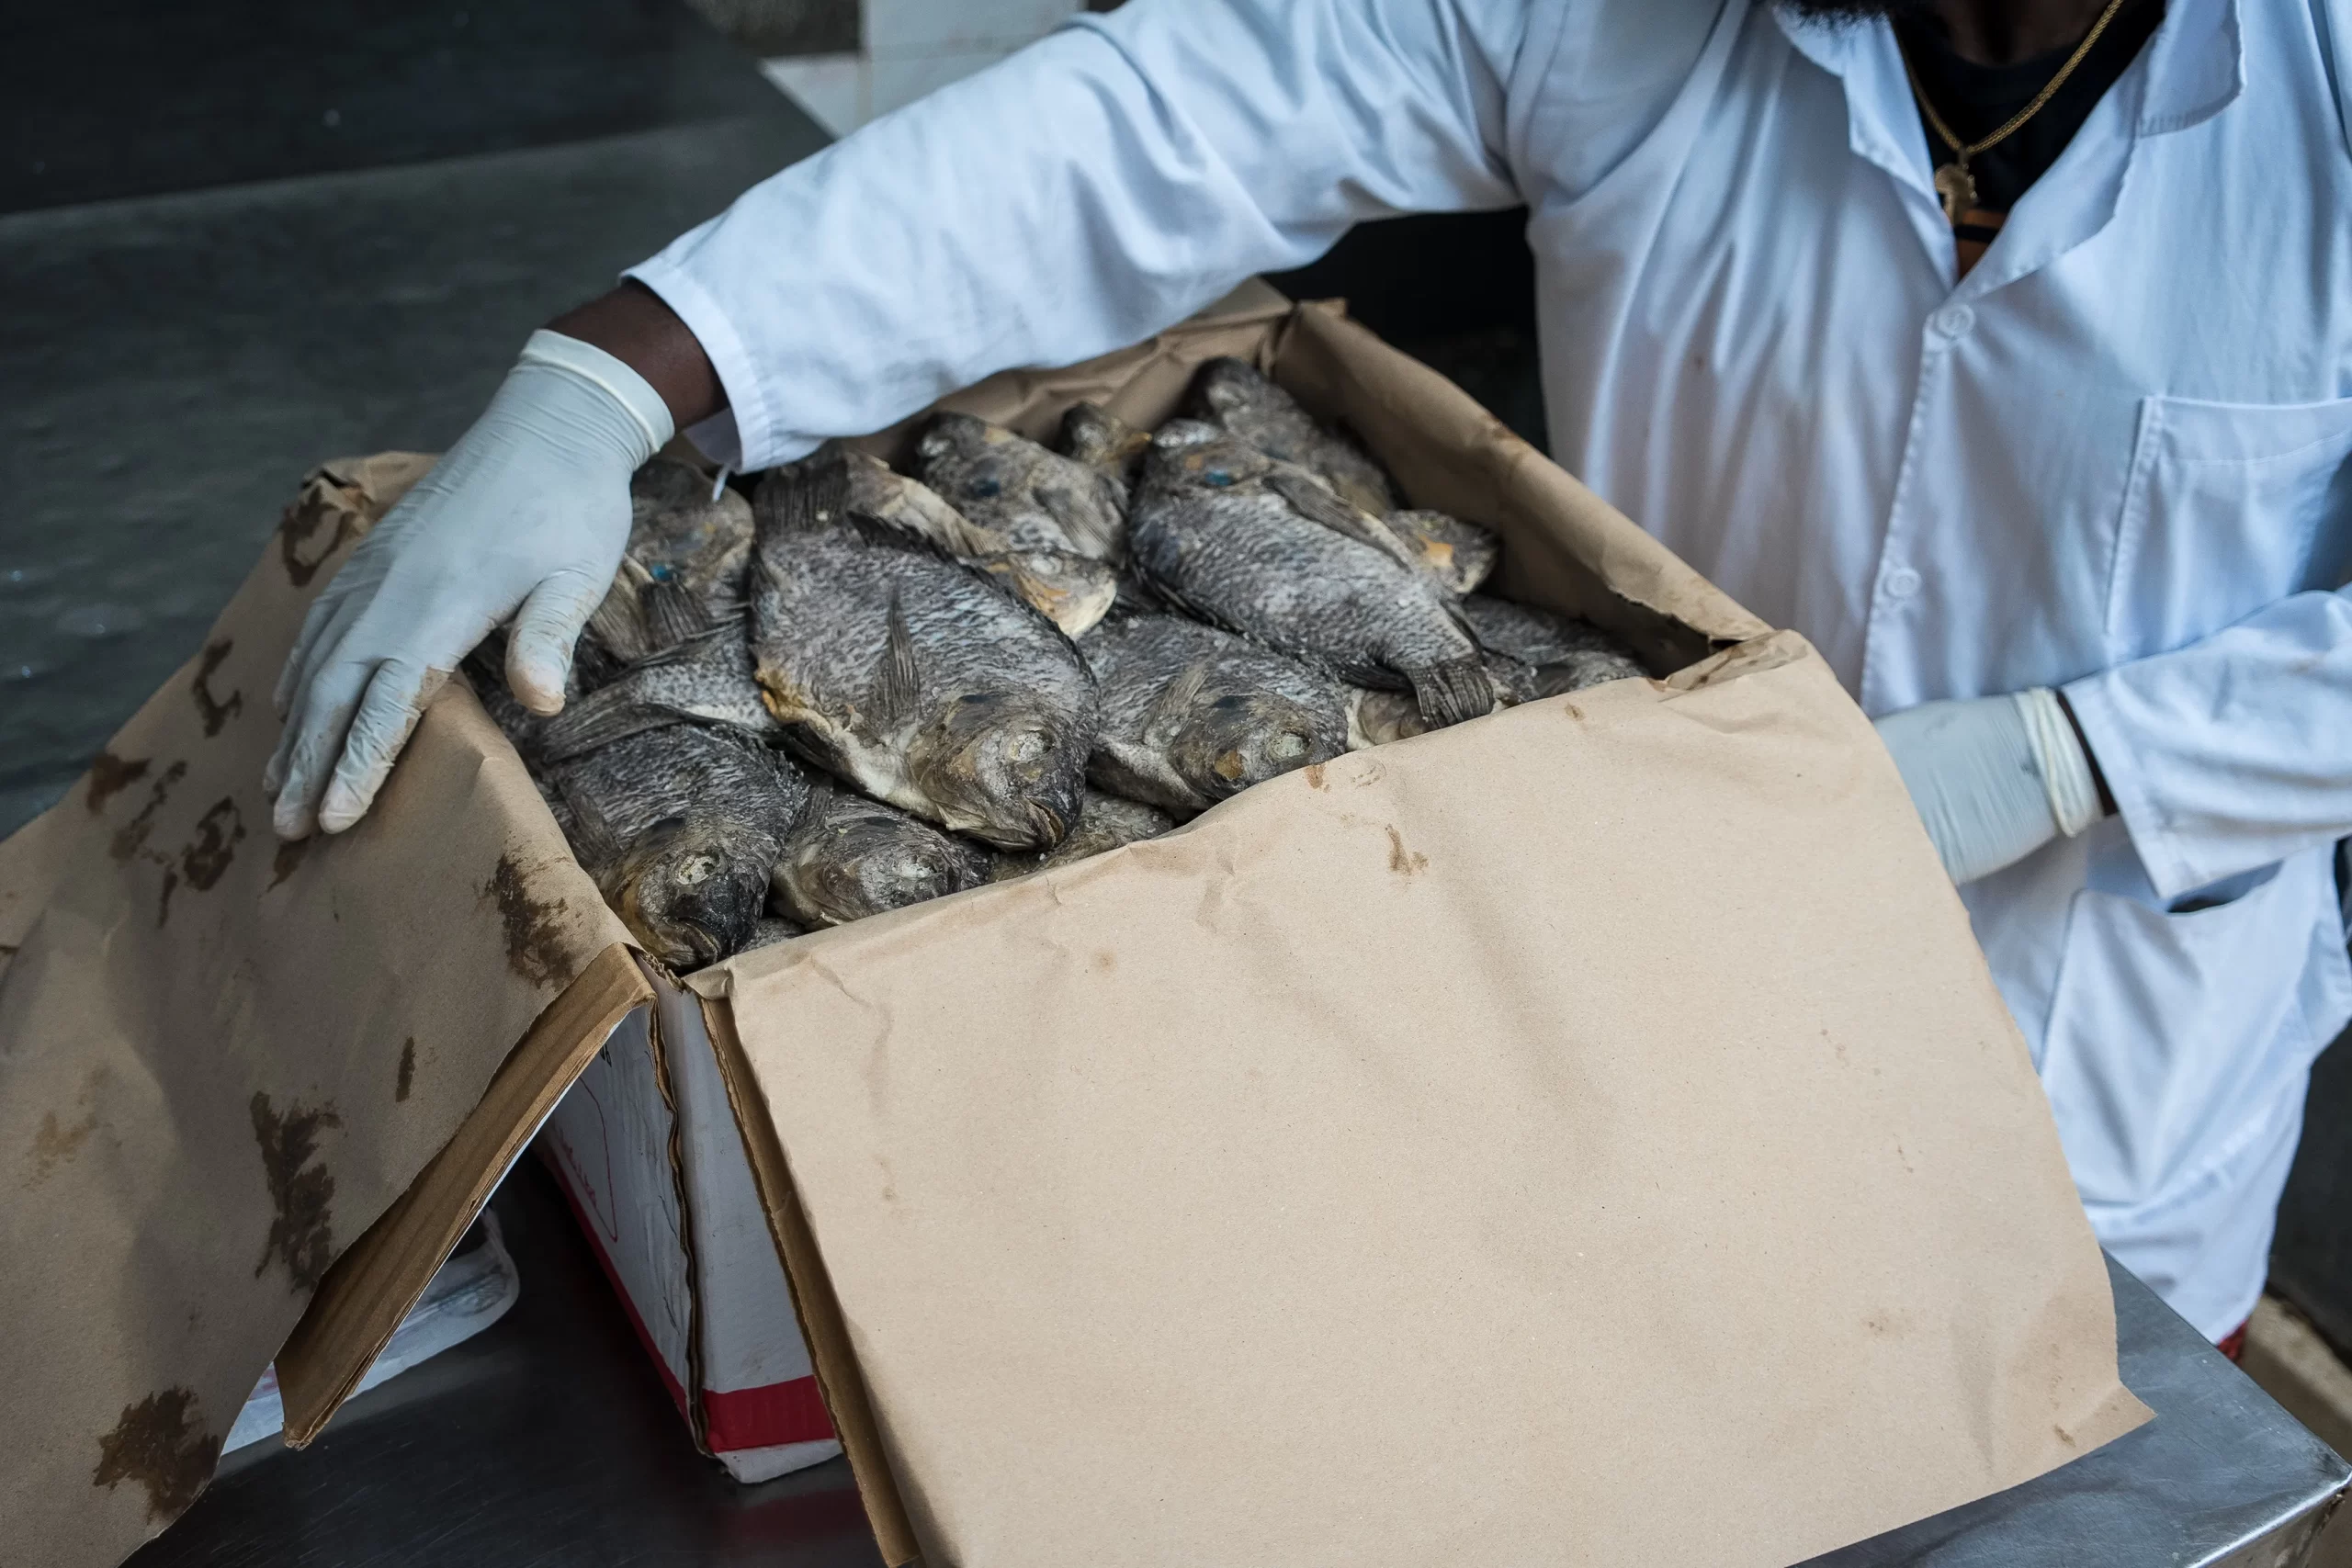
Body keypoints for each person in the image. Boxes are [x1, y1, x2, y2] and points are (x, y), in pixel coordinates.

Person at [266, 0, 2352, 1346]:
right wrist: (621, 375)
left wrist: (2075, 754)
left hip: (2089, 1057)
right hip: (1609, 950)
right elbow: (1162, 118)